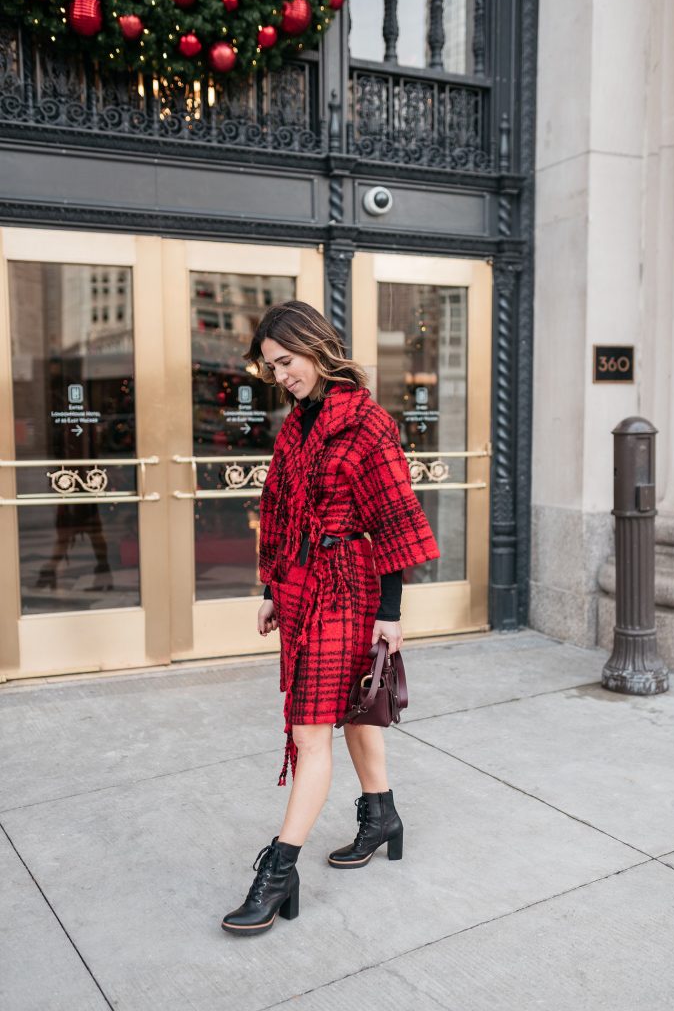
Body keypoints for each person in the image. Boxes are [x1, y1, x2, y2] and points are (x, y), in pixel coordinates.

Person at [221, 300, 439, 937]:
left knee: (311, 730)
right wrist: (270, 586)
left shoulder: (369, 424)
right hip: (299, 590)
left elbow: (393, 519)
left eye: (285, 362)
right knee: (345, 712)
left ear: (315, 347)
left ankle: (279, 869)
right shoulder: (298, 423)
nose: (280, 375)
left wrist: (390, 615)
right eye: (271, 367)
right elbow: (284, 511)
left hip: (347, 591)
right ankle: (382, 816)